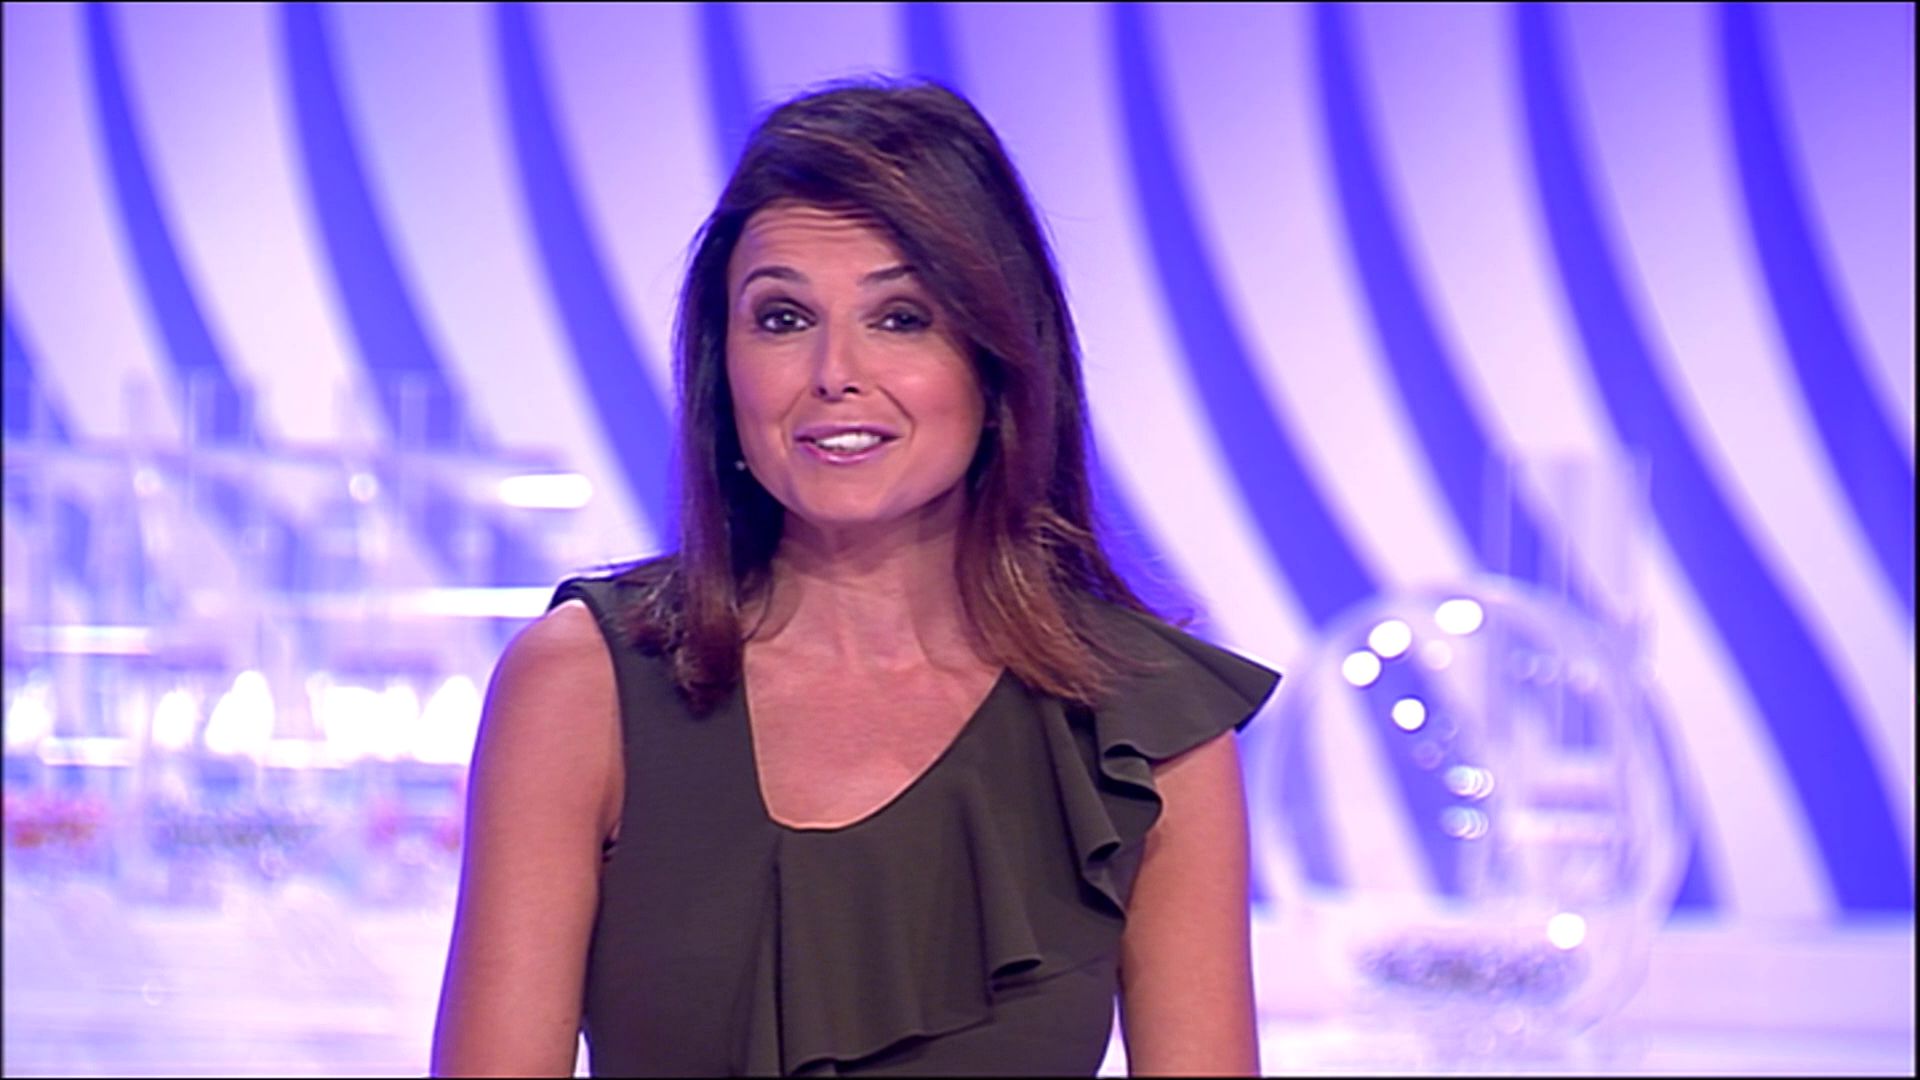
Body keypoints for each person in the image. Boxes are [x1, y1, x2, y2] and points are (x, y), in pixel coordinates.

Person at [430, 78, 1279, 1077]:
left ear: (997, 361)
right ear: (723, 367)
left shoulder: (1146, 729)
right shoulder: (582, 686)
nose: (835, 372)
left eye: (902, 317)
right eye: (783, 318)